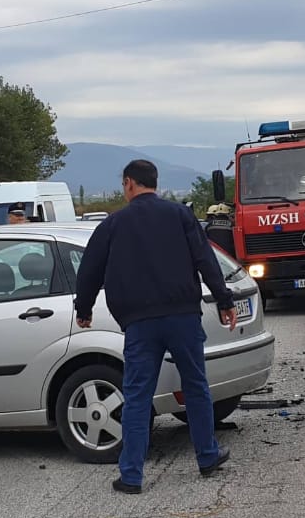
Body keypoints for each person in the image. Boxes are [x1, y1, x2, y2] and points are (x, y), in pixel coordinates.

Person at [74, 159, 237, 495]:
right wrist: (224, 300)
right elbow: (205, 260)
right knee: (195, 386)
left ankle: (131, 476)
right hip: (183, 317)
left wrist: (84, 309)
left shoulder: (113, 224)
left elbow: (89, 270)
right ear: (155, 182)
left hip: (139, 323)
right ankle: (207, 456)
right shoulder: (180, 215)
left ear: (129, 183)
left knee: (137, 396)